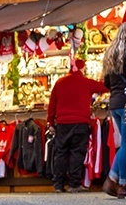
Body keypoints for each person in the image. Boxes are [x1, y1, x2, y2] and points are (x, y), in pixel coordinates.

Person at [47, 58, 109, 193]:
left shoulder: (59, 82)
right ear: (81, 68)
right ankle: (74, 184)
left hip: (63, 123)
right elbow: (105, 87)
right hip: (80, 123)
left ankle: (58, 184)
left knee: (61, 153)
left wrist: (50, 121)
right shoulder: (86, 82)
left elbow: (52, 105)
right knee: (77, 152)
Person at [101, 22, 126, 199]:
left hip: (114, 103)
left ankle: (113, 179)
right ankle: (122, 183)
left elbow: (106, 82)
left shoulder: (110, 52)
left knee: (125, 143)